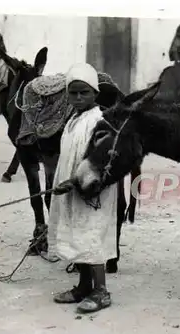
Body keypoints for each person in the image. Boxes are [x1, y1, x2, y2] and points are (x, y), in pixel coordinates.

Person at [47, 63, 118, 313]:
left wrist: (78, 181)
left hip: (93, 191)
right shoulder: (73, 121)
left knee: (91, 235)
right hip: (72, 189)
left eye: (84, 93)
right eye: (73, 93)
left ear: (95, 94)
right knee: (78, 235)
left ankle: (101, 291)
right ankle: (83, 286)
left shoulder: (99, 121)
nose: (78, 98)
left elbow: (103, 160)